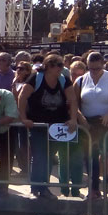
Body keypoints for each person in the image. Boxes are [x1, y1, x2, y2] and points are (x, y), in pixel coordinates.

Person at [18, 54, 81, 199]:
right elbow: (22, 97)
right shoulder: (36, 78)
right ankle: (36, 188)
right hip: (38, 124)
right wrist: (24, 118)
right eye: (58, 65)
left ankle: (44, 187)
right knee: (39, 155)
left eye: (61, 65)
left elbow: (72, 100)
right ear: (49, 66)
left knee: (49, 156)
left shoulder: (64, 80)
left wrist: (72, 119)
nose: (61, 68)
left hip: (56, 126)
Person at [75, 52, 108, 198]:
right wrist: (81, 117)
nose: (93, 72)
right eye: (90, 69)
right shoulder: (81, 80)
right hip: (89, 124)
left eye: (97, 69)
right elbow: (74, 102)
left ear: (103, 65)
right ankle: (94, 188)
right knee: (91, 156)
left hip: (107, 122)